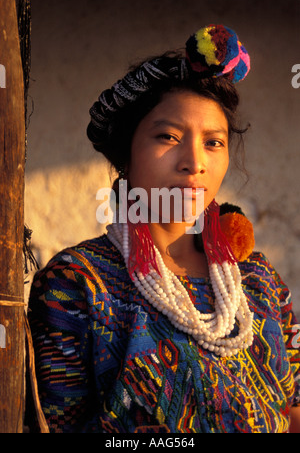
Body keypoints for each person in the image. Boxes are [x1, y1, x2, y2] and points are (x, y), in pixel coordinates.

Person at [28, 24, 300, 433]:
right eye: (168, 136)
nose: (194, 161)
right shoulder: (76, 284)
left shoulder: (259, 282)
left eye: (213, 142)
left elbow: (293, 412)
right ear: (127, 153)